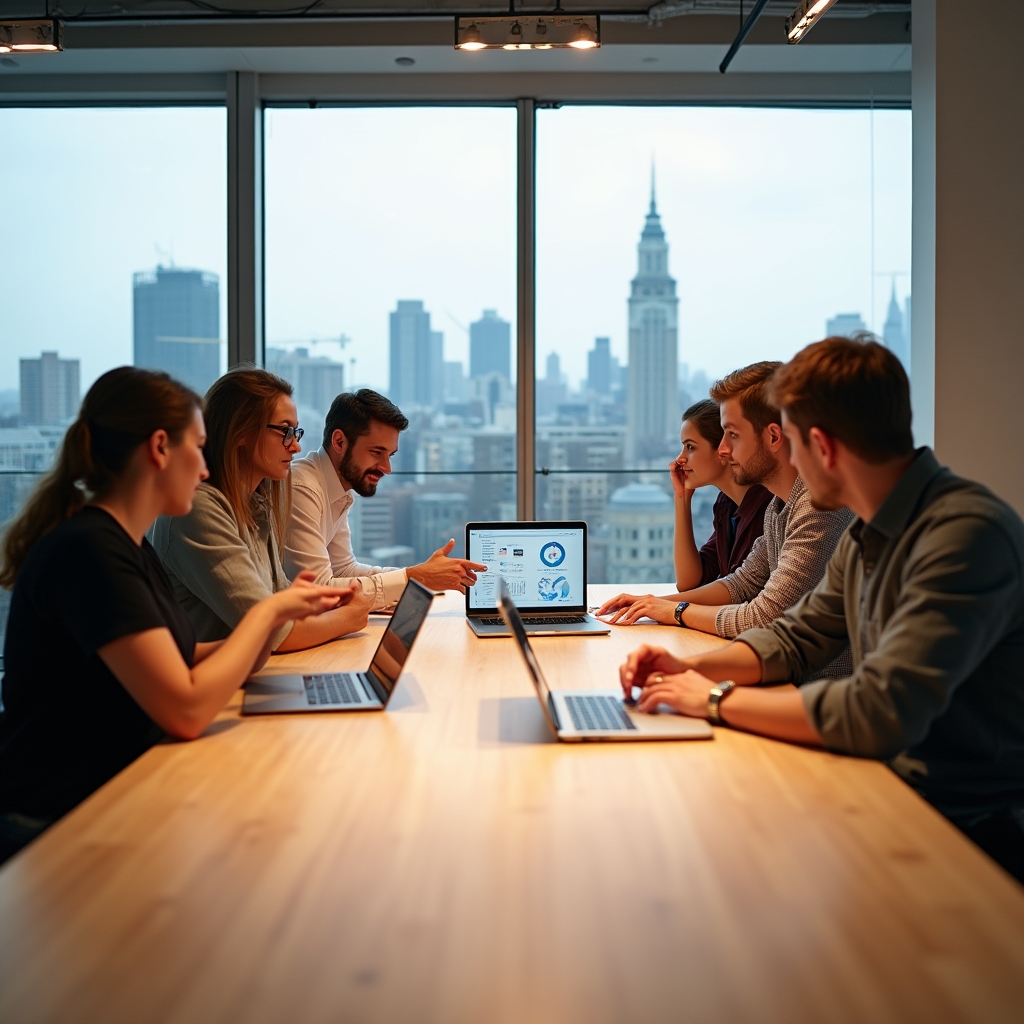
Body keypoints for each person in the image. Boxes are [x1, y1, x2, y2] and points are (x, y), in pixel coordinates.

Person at [619, 338, 1024, 882]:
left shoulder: (964, 536)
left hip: (958, 828)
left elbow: (878, 710)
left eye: (791, 445)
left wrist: (714, 699)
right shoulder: (868, 528)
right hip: (885, 785)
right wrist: (688, 668)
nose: (787, 462)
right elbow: (793, 638)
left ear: (822, 448)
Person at [0, 368, 348, 864]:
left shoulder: (126, 546)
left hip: (113, 787)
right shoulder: (90, 554)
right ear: (160, 448)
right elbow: (185, 711)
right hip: (60, 818)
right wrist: (267, 617)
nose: (205, 470)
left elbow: (180, 656)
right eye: (198, 448)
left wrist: (259, 640)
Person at [599, 363, 854, 665]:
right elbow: (741, 583)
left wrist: (674, 611)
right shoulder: (779, 506)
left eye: (732, 434)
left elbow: (761, 616)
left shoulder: (818, 509)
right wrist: (653, 604)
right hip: (788, 679)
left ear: (773, 437)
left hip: (812, 692)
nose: (722, 449)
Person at [151, 368, 373, 651]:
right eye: (285, 431)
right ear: (241, 431)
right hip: (216, 686)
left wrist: (328, 603)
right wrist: (348, 617)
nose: (295, 446)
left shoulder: (257, 502)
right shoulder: (200, 508)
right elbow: (271, 632)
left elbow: (277, 600)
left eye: (296, 431)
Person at [283, 389, 486, 610]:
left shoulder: (337, 487)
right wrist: (415, 578)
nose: (386, 468)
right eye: (376, 452)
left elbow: (343, 570)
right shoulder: (303, 489)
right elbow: (320, 590)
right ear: (339, 442)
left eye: (390, 455)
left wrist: (421, 576)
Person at [669, 398, 772, 591]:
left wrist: (661, 605)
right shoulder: (727, 504)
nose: (680, 459)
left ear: (722, 450)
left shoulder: (766, 508)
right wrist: (682, 499)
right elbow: (689, 582)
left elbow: (745, 598)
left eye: (690, 447)